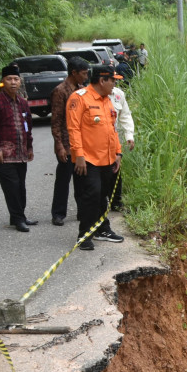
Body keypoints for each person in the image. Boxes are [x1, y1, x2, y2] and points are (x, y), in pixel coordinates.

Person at [66, 64, 123, 251]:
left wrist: (118, 152)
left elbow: (112, 130)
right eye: (112, 80)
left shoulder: (107, 100)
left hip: (107, 158)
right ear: (102, 80)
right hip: (88, 159)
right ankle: (84, 235)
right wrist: (79, 156)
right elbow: (73, 129)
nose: (114, 84)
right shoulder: (79, 98)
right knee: (91, 196)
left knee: (102, 196)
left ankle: (102, 229)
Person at [0, 63, 35, 232]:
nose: (13, 82)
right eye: (9, 79)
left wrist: (29, 147)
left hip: (21, 152)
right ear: (2, 82)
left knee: (21, 186)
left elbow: (28, 127)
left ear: (20, 81)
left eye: (16, 79)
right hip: (5, 154)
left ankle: (19, 216)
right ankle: (18, 218)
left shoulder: (22, 103)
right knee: (11, 187)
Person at [49, 57, 89, 226]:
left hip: (80, 143)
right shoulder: (60, 91)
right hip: (66, 144)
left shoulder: (82, 90)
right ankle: (58, 213)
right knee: (63, 180)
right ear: (74, 73)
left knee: (81, 179)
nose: (86, 77)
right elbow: (56, 120)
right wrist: (59, 145)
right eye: (84, 73)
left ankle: (82, 211)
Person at [108, 72, 135, 211]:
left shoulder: (118, 94)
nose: (114, 83)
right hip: (96, 142)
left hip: (114, 139)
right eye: (112, 80)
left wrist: (129, 136)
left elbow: (125, 116)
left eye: (115, 80)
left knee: (116, 170)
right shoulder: (90, 96)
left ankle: (116, 203)